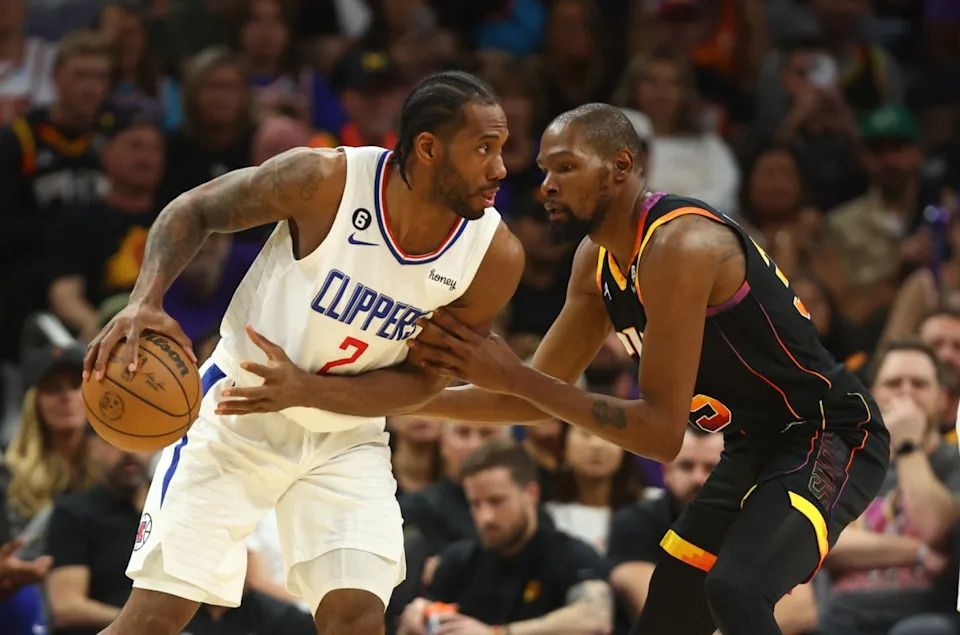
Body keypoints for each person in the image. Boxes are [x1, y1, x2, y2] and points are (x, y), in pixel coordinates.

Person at [408, 102, 890, 635]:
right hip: (753, 444)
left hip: (829, 434)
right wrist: (401, 399)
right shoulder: (594, 262)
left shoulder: (681, 245)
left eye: (566, 167)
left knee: (737, 589)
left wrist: (514, 376)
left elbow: (661, 435)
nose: (546, 185)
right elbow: (527, 401)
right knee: (668, 615)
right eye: (544, 169)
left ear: (620, 167)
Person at [82, 70, 524, 635]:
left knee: (359, 619)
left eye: (502, 148)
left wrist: (310, 391)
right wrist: (145, 299)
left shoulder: (493, 254)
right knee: (153, 621)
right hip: (237, 416)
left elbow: (427, 381)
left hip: (347, 436)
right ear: (429, 148)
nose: (501, 169)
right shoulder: (323, 181)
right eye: (484, 148)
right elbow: (195, 210)